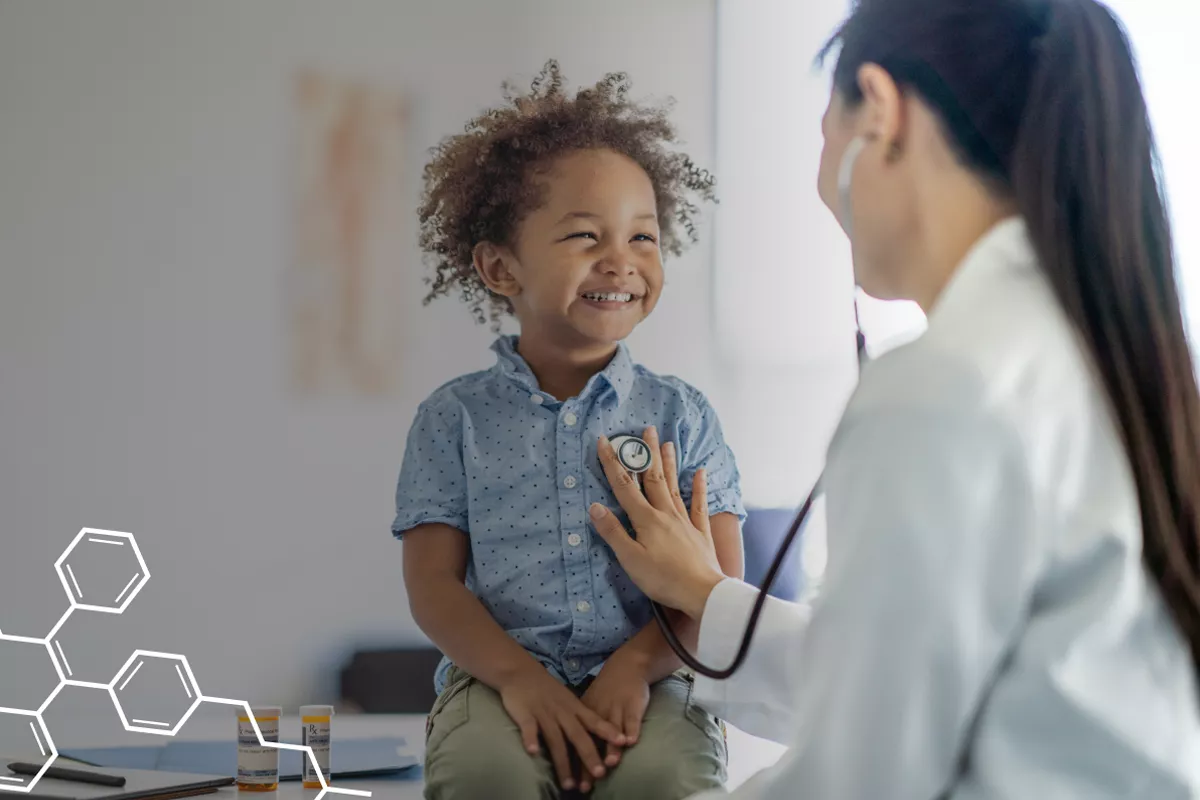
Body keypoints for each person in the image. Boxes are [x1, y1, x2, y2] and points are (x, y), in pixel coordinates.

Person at [586, 0, 1200, 797]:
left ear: (880, 109)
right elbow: (923, 667)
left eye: (822, 139)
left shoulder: (943, 388)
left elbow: (864, 773)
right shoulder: (1095, 348)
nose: (819, 186)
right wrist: (709, 596)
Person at [392, 60, 746, 799]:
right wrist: (518, 677)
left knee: (669, 779)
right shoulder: (452, 420)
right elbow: (432, 585)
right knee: (486, 773)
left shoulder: (684, 416)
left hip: (654, 671)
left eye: (643, 238)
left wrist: (634, 667)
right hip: (499, 676)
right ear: (499, 267)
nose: (621, 260)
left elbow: (719, 583)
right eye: (586, 235)